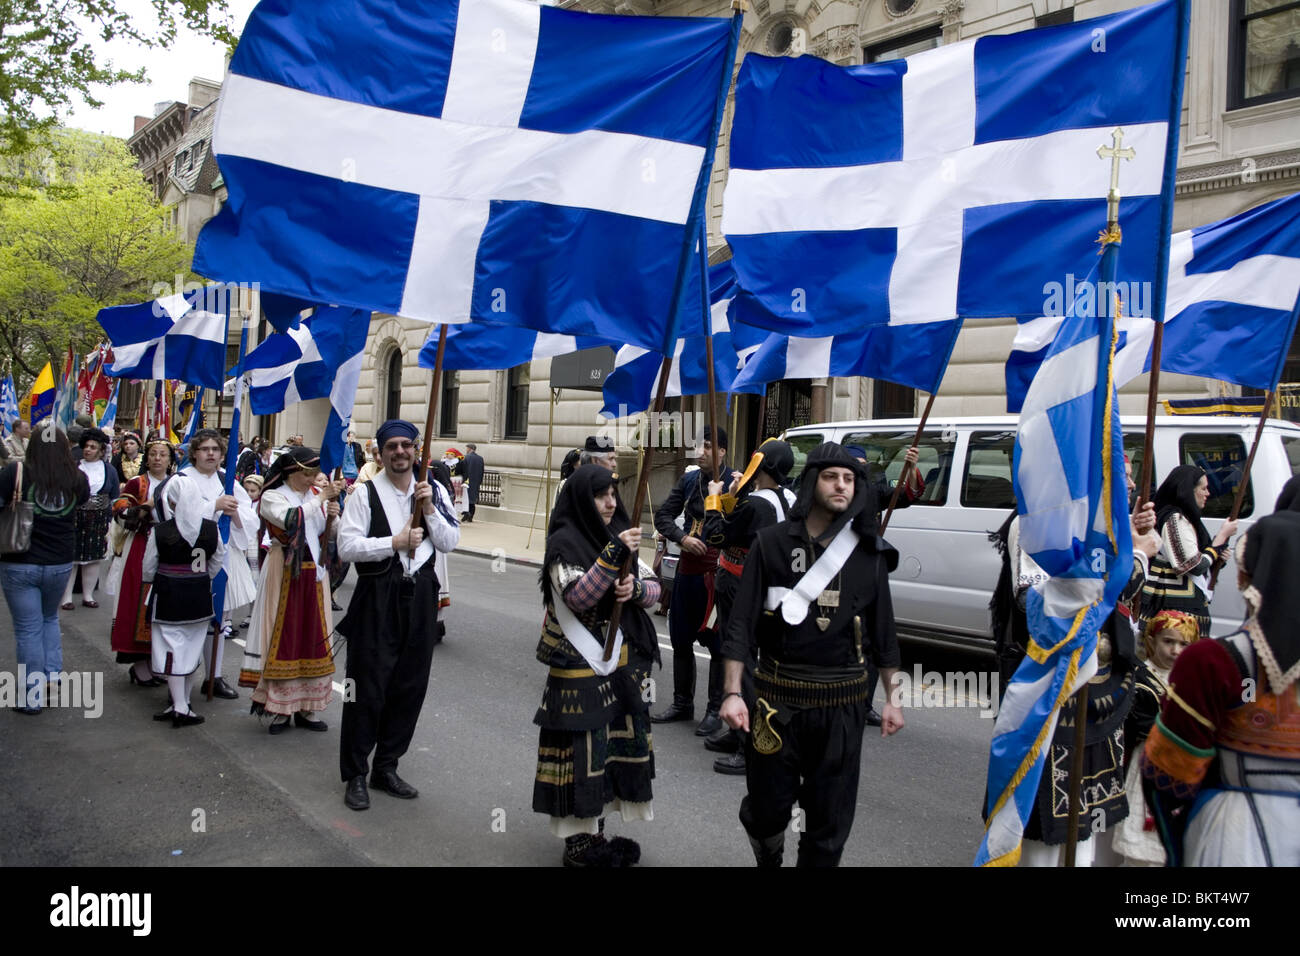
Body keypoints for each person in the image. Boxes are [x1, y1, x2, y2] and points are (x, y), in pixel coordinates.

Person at [720, 442, 904, 866]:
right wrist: (732, 693)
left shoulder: (871, 553)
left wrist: (894, 698)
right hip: (775, 702)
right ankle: (769, 852)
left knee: (828, 822)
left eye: (849, 479)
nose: (842, 485)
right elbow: (740, 627)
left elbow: (884, 634)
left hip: (842, 707)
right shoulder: (769, 545)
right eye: (830, 476)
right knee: (767, 812)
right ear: (811, 483)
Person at [990, 455, 1159, 867]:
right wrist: (1135, 559)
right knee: (1051, 826)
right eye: (1122, 478)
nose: (1132, 487)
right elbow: (1044, 609)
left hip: (1102, 691)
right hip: (1052, 689)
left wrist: (1128, 540)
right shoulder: (1037, 524)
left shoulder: (1103, 527)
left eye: (1132, 479)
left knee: (1092, 818)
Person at [1142, 510, 1300, 866]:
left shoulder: (1213, 661)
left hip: (1236, 836)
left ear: (1248, 577)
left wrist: (1177, 845)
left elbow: (1167, 774)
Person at [533, 464, 660, 866]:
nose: (610, 503)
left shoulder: (620, 531)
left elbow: (656, 591)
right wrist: (613, 556)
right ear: (580, 500)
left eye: (613, 494)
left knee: (609, 752)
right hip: (576, 663)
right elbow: (578, 597)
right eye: (600, 496)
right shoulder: (563, 543)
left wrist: (635, 588)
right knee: (579, 754)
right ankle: (577, 844)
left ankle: (598, 831)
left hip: (619, 665)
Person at [335, 419, 460, 811]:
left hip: (420, 595)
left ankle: (386, 767)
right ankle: (355, 772)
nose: (401, 452)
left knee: (409, 687)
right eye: (392, 447)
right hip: (377, 597)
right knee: (366, 689)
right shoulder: (364, 493)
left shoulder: (433, 489)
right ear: (380, 453)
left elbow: (450, 541)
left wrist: (429, 510)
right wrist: (394, 542)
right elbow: (347, 547)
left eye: (407, 446)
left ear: (416, 450)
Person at [699, 438, 797, 775]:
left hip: (741, 583)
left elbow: (716, 535)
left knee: (740, 655)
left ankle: (748, 741)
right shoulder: (788, 497)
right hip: (769, 586)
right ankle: (738, 731)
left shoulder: (756, 503)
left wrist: (714, 497)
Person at [240, 447, 340, 734]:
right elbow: (291, 520)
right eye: (306, 473)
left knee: (312, 636)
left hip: (314, 575)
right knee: (283, 634)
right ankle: (281, 709)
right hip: (284, 572)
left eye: (313, 474)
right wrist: (321, 498)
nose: (311, 479)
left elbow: (329, 534)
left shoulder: (313, 497)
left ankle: (307, 708)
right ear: (291, 472)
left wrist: (333, 515)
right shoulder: (273, 496)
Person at [0, 428, 89, 713]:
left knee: (28, 629)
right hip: (59, 562)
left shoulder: (16, 472)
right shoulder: (77, 478)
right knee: (49, 618)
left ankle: (31, 696)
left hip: (19, 561)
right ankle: (51, 676)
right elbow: (84, 503)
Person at [652, 425, 727, 736]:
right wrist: (682, 539)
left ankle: (714, 710)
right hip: (687, 570)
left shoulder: (737, 482)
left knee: (718, 645)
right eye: (700, 446)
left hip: (718, 574)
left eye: (708, 446)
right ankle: (682, 703)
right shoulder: (689, 479)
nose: (702, 451)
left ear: (722, 451)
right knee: (680, 638)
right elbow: (663, 516)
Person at [1110, 609, 1199, 866]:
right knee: (1136, 842)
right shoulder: (1138, 678)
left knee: (1166, 847)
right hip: (1143, 767)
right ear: (1151, 641)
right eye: (1168, 641)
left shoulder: (1191, 681)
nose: (1175, 650)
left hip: (1179, 769)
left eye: (1184, 644)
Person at [843, 443, 922, 726]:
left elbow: (907, 495)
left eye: (863, 464)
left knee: (874, 642)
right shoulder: (830, 496)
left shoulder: (874, 491)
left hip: (867, 574)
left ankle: (864, 705)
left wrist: (910, 467)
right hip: (838, 576)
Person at [180, 428, 259, 700]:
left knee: (220, 620)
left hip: (224, 557)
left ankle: (213, 676)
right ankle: (182, 680)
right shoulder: (182, 479)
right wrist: (213, 505)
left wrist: (234, 512)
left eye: (216, 449)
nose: (211, 454)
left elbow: (249, 518)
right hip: (191, 559)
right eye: (205, 449)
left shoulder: (228, 480)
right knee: (191, 621)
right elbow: (178, 516)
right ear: (195, 453)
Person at [142, 474, 224, 727]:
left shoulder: (161, 531)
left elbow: (148, 568)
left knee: (170, 650)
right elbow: (217, 561)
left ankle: (179, 704)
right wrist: (199, 577)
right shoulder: (211, 529)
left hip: (168, 595)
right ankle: (182, 703)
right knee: (189, 649)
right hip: (198, 596)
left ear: (173, 502)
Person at [1138, 464, 1237, 640]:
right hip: (1173, 608)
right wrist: (1219, 542)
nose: (1208, 493)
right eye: (1203, 489)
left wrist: (1216, 554)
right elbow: (1192, 565)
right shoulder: (1174, 518)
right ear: (1188, 490)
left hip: (1182, 606)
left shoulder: (1186, 517)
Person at [106, 438, 175, 687]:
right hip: (142, 546)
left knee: (163, 604)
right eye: (153, 454)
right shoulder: (138, 482)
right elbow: (120, 512)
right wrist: (144, 508)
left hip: (169, 546)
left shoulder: (178, 482)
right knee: (137, 599)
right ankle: (139, 664)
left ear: (170, 459)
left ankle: (157, 661)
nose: (157, 458)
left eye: (163, 454)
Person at [61, 427, 119, 610]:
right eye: (86, 446)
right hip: (75, 517)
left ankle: (88, 595)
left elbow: (114, 494)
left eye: (93, 447)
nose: (88, 450)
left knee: (93, 559)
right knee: (72, 558)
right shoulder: (74, 466)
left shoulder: (109, 470)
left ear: (101, 450)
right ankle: (67, 597)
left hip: (99, 519)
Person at [462, 442, 484, 523]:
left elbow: (464, 470)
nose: (466, 450)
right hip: (476, 482)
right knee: (473, 500)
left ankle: (466, 514)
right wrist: (479, 481)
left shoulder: (466, 457)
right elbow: (482, 471)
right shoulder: (480, 458)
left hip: (467, 481)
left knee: (466, 499)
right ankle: (470, 515)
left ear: (470, 449)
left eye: (467, 448)